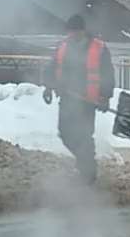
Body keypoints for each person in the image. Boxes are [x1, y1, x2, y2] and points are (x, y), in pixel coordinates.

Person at [42, 14, 114, 184]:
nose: (73, 35)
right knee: (65, 133)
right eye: (71, 32)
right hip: (67, 98)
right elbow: (52, 67)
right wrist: (48, 86)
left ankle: (88, 173)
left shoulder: (99, 48)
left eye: (76, 32)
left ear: (83, 30)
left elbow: (107, 73)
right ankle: (86, 163)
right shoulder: (62, 46)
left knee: (84, 135)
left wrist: (105, 96)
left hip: (88, 101)